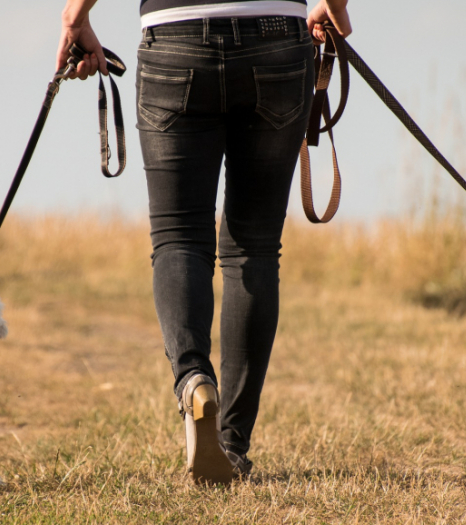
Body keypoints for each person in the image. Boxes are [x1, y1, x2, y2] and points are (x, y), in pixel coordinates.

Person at [56, 0, 352, 484]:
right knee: (254, 247)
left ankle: (194, 379)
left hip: (174, 36)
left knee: (179, 235)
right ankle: (231, 444)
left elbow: (77, 14)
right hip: (277, 36)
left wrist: (76, 15)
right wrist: (335, 7)